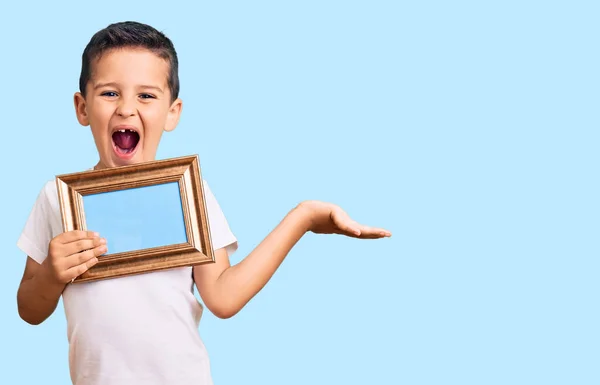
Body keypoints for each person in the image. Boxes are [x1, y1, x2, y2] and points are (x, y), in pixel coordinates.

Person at [16, 21, 391, 385]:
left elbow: (223, 297)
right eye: (110, 93)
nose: (127, 108)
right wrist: (51, 272)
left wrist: (303, 218)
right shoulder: (57, 199)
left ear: (172, 112)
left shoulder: (190, 194)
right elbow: (29, 309)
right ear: (82, 108)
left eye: (145, 95)